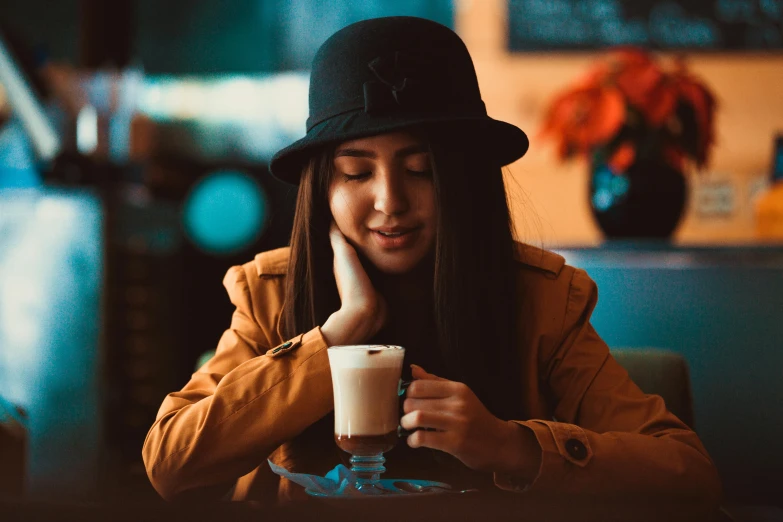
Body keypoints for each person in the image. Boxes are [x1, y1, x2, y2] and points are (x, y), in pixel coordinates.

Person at [142, 17, 721, 506]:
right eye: (356, 172)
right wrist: (335, 337)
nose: (390, 201)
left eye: (421, 171)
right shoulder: (272, 291)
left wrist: (510, 446)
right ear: (322, 188)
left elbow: (690, 475)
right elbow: (170, 462)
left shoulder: (541, 300)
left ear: (463, 178)